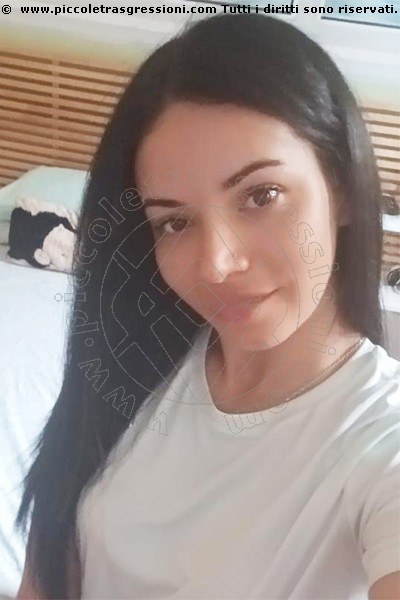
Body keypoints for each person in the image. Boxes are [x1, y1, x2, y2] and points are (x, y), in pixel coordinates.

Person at [15, 12, 400, 599]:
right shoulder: (137, 356)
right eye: (174, 222)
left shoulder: (379, 438)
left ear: (342, 186)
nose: (215, 265)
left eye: (261, 195)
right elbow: (51, 560)